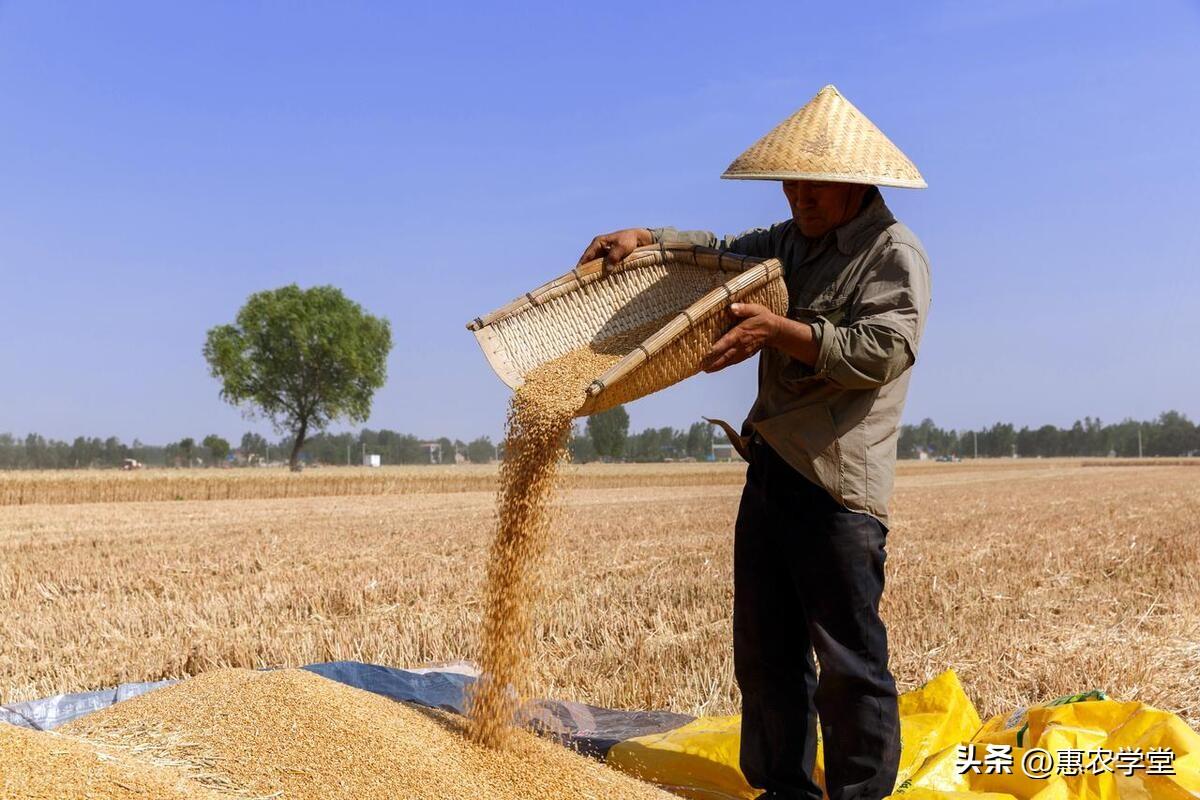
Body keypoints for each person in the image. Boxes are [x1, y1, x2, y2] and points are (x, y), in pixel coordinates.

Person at [578, 85, 931, 800]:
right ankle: (781, 789)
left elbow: (885, 349)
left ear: (856, 182)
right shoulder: (789, 243)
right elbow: (722, 255)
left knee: (849, 660)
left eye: (813, 183)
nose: (798, 194)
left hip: (836, 482)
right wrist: (649, 237)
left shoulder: (892, 254)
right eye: (789, 180)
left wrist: (785, 334)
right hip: (771, 468)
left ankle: (862, 793)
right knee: (765, 651)